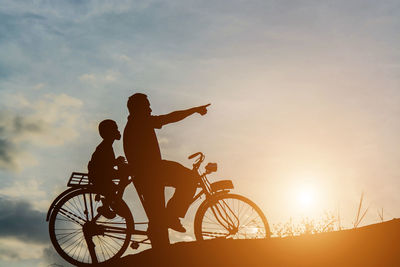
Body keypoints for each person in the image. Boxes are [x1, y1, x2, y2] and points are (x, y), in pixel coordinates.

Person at [123, 93, 210, 248]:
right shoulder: (140, 121)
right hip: (152, 171)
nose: (150, 109)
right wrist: (194, 110)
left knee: (158, 220)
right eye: (147, 106)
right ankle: (172, 215)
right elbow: (170, 117)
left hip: (147, 174)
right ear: (139, 108)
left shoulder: (134, 124)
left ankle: (163, 236)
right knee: (190, 178)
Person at [88, 119, 129, 219]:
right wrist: (117, 162)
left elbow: (107, 163)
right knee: (124, 176)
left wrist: (116, 161)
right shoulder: (105, 146)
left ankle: (111, 202)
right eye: (115, 129)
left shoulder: (107, 145)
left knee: (123, 177)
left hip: (102, 173)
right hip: (100, 175)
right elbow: (106, 165)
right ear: (109, 132)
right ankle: (113, 203)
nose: (118, 131)